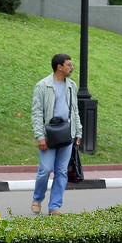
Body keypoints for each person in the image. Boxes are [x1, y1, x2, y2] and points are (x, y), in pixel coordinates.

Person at [30, 53, 83, 216]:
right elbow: (37, 112)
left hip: (66, 133)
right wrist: (40, 136)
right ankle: (37, 198)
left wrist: (78, 133)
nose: (71, 67)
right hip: (49, 134)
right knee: (45, 170)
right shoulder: (43, 86)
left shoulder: (71, 85)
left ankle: (54, 206)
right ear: (59, 67)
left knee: (61, 171)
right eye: (69, 64)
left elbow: (74, 110)